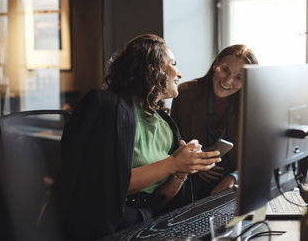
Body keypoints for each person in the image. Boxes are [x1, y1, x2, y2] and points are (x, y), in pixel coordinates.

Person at [53, 34, 220, 240]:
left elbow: (162, 198)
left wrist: (183, 170)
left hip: (150, 219)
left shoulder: (165, 123)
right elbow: (105, 185)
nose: (179, 73)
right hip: (110, 223)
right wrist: (173, 163)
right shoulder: (107, 106)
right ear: (152, 67)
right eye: (173, 64)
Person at [171, 45, 258, 200]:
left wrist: (234, 177)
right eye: (225, 70)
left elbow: (258, 153)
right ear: (216, 64)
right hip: (190, 184)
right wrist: (194, 165)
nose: (228, 81)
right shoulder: (185, 93)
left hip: (234, 188)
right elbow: (173, 143)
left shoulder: (251, 104)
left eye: (239, 78)